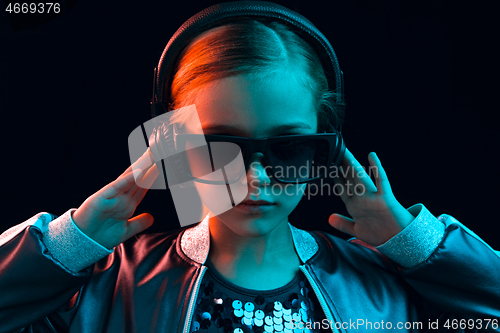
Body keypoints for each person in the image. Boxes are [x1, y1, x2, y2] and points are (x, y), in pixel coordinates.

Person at [1, 2, 499, 333]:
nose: (256, 178)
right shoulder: (110, 285)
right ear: (173, 145)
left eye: (288, 147)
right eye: (221, 147)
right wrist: (68, 242)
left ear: (328, 146)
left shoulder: (385, 286)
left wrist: (414, 242)